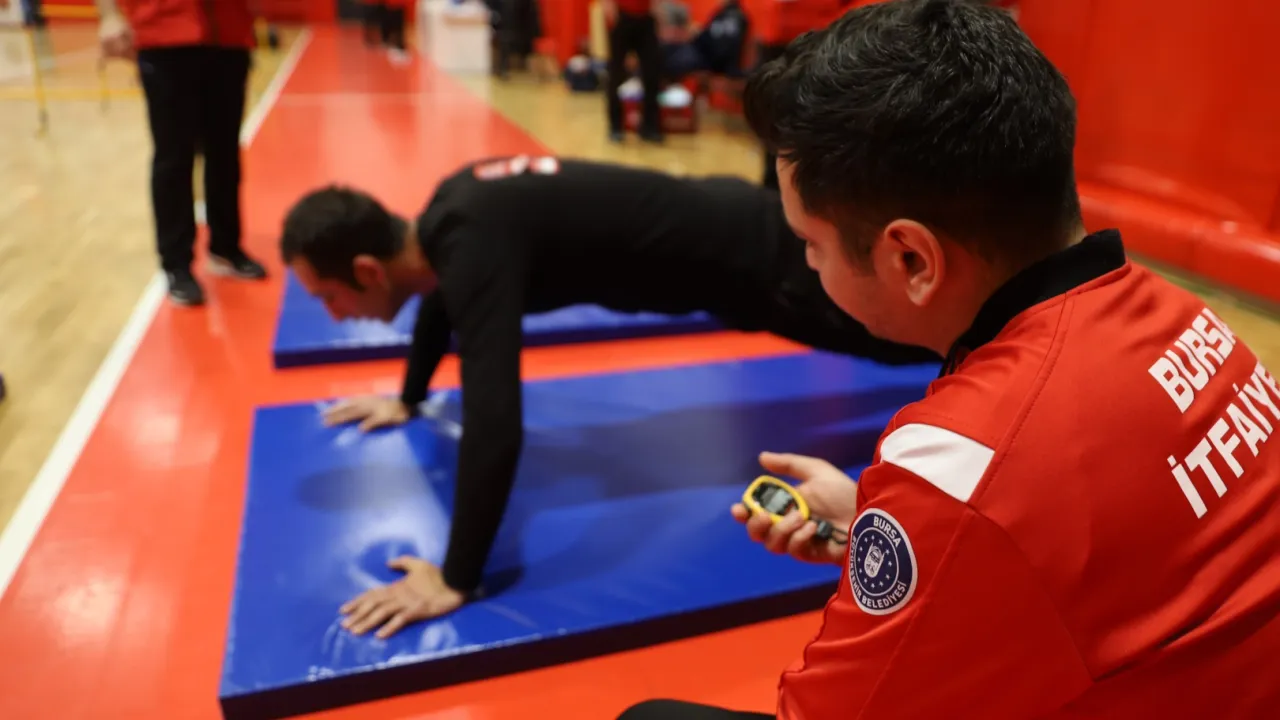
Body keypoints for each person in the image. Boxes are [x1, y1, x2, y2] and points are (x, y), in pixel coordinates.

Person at [618, 0, 1280, 718]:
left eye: (811, 243)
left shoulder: (960, 467)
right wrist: (882, 525)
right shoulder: (1188, 319)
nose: (806, 263)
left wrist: (925, 520)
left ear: (911, 258)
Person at [279, 156, 940, 640]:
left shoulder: (469, 244)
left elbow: (495, 423)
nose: (333, 314)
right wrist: (409, 397)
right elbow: (442, 299)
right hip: (731, 230)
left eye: (328, 297)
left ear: (367, 270)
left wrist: (455, 578)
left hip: (760, 261)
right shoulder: (452, 212)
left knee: (918, 341)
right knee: (915, 340)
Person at [96, 0, 268, 306]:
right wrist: (109, 15)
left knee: (225, 152)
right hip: (165, 33)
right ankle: (176, 264)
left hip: (228, 33)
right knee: (173, 157)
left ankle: (226, 248)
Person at [602, 0, 664, 142]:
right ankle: (615, 127)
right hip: (621, 15)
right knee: (616, 74)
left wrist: (657, 11)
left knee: (652, 74)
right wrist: (609, 6)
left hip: (646, 17)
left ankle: (650, 127)